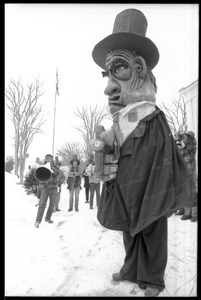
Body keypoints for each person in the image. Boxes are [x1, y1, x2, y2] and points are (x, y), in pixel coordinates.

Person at [91, 9, 197, 297]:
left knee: (151, 227)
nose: (108, 86)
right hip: (124, 184)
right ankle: (130, 268)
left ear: (139, 70)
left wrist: (155, 187)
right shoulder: (119, 120)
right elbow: (115, 149)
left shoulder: (153, 117)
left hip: (148, 184)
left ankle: (152, 279)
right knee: (129, 227)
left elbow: (160, 158)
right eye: (107, 72)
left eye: (119, 69)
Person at [175, 131, 197, 222]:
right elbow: (179, 152)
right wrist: (178, 142)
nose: (186, 140)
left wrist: (182, 136)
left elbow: (188, 145)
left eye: (188, 138)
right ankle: (187, 213)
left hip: (190, 172)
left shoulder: (193, 148)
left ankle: (194, 215)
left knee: (192, 193)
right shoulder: (184, 148)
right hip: (184, 172)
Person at [34, 154, 60, 228]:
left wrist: (52, 168)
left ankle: (48, 218)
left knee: (52, 205)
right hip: (45, 187)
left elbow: (57, 174)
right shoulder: (42, 168)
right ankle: (38, 221)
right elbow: (39, 178)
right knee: (42, 204)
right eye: (47, 158)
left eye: (50, 159)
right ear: (45, 159)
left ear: (52, 160)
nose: (48, 160)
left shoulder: (55, 167)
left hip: (54, 188)